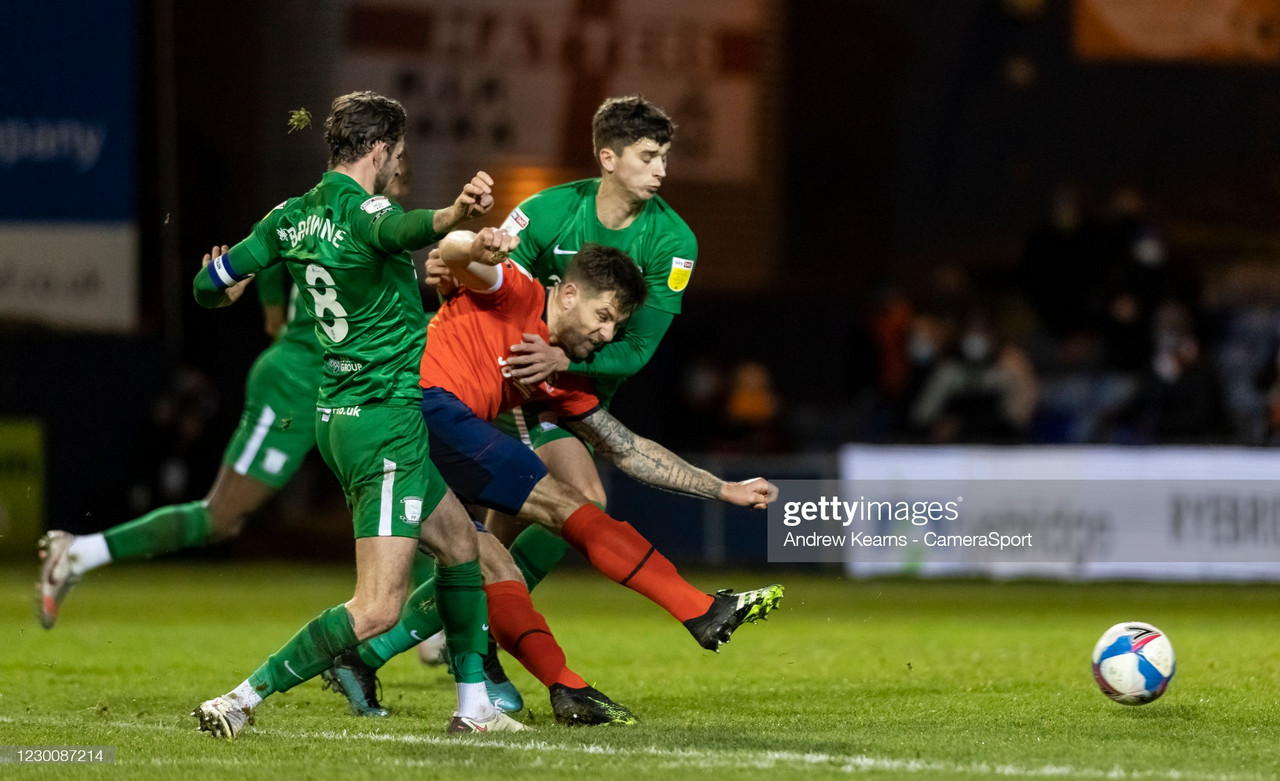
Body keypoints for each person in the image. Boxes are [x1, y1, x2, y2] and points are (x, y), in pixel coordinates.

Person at [323, 233, 783, 719]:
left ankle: (566, 690)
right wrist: (465, 235)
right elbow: (454, 254)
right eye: (603, 316)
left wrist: (723, 487)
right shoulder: (518, 289)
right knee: (566, 503)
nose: (607, 335)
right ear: (566, 293)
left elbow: (627, 448)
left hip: (417, 440)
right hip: (414, 410)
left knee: (497, 570)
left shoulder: (560, 374)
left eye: (616, 326)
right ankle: (698, 609)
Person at [187, 90, 525, 737]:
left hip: (338, 416)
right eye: (398, 155)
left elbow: (211, 285)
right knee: (377, 607)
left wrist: (217, 282)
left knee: (461, 545)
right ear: (377, 149)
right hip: (384, 421)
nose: (399, 167)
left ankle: (474, 703)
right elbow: (401, 227)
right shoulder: (371, 210)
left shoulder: (289, 215)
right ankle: (240, 698)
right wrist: (456, 212)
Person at [417, 96, 700, 693]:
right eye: (649, 157)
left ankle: (456, 618)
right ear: (608, 158)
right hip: (522, 383)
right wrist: (450, 265)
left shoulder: (675, 240)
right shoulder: (549, 210)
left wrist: (566, 354)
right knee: (576, 502)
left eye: (665, 157)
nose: (661, 170)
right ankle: (470, 625)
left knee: (511, 526)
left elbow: (639, 349)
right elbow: (488, 274)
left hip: (572, 385)